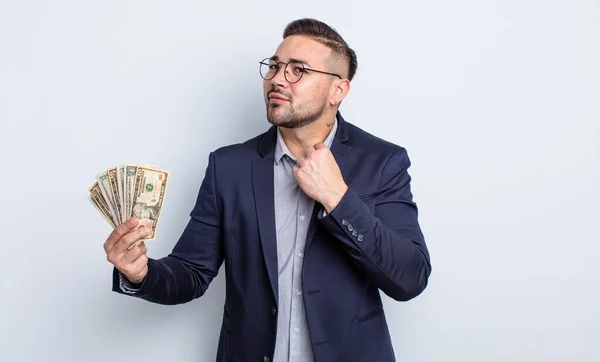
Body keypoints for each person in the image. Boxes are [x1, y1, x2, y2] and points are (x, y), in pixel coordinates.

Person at [103, 18, 431, 362]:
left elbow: (410, 278)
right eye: (274, 66)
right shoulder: (229, 167)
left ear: (339, 90)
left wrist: (338, 198)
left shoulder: (382, 162)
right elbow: (192, 273)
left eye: (297, 70)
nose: (276, 78)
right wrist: (140, 274)